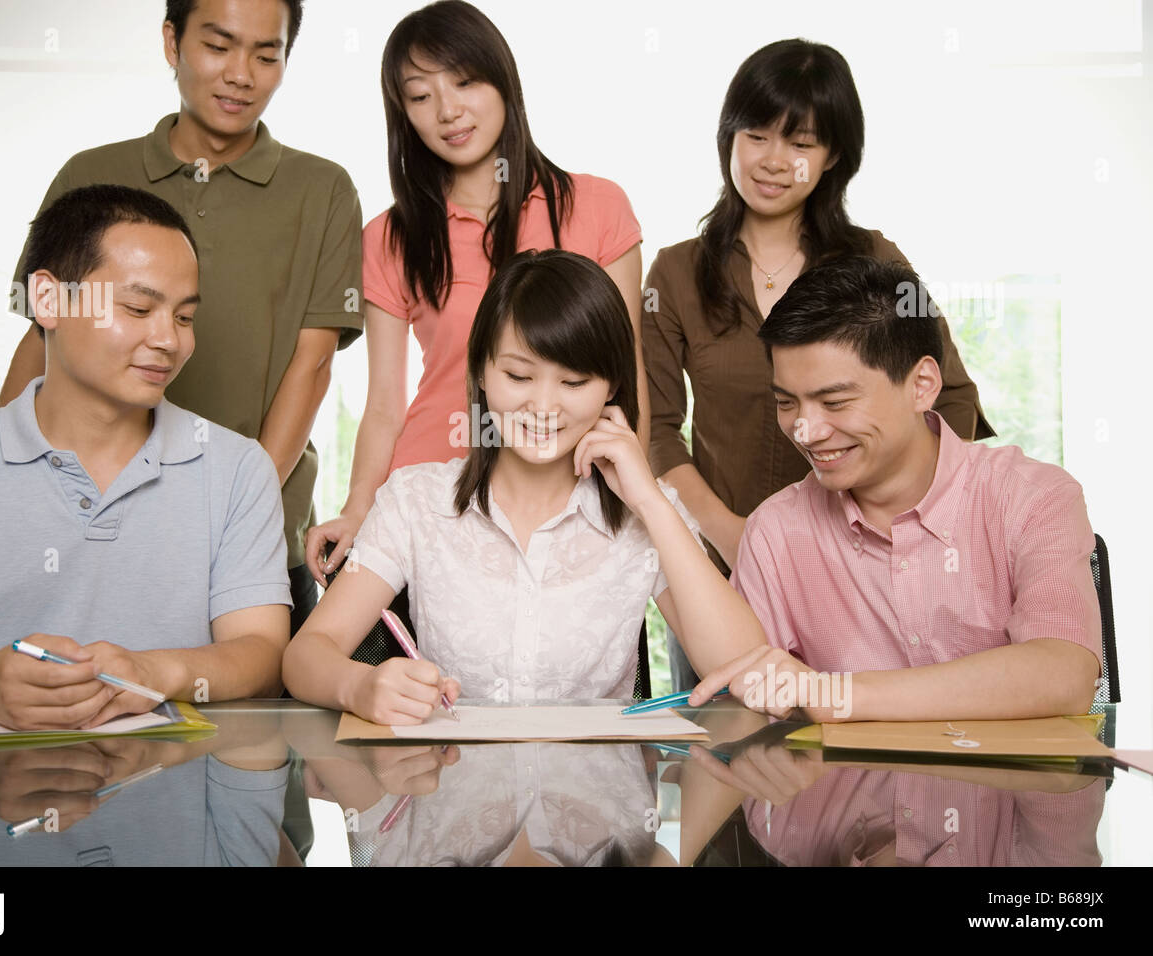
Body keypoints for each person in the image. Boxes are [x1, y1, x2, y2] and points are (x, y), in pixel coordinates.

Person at [0, 185, 292, 730]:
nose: (169, 341)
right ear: (48, 300)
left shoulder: (236, 469)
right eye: (138, 307)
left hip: (181, 797)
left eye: (183, 318)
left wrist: (154, 671)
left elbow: (264, 657)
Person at [0, 0, 361, 634]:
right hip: (84, 524)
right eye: (218, 46)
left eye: (266, 55)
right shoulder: (90, 174)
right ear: (173, 42)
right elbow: (40, 340)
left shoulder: (323, 190)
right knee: (63, 704)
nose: (241, 74)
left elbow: (314, 362)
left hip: (254, 530)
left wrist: (236, 506)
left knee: (255, 720)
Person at [641, 39, 992, 691]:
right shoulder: (676, 271)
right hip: (722, 571)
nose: (773, 161)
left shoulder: (876, 258)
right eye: (756, 135)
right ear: (729, 138)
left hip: (863, 571)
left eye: (800, 143)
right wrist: (729, 532)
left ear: (833, 156)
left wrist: (898, 521)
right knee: (737, 756)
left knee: (872, 758)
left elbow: (951, 398)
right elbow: (656, 429)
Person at [283, 250, 765, 724]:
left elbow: (747, 669)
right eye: (518, 375)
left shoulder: (648, 512)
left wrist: (650, 502)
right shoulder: (415, 501)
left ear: (612, 387)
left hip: (597, 796)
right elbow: (305, 657)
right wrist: (359, 686)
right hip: (451, 788)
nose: (543, 406)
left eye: (574, 382)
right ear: (481, 371)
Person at [306, 0, 646, 585]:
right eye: (419, 95)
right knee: (415, 676)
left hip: (570, 499)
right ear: (402, 113)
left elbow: (628, 372)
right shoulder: (390, 237)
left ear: (503, 81)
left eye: (464, 82)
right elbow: (385, 402)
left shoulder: (596, 207)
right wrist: (361, 507)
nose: (448, 110)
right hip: (434, 501)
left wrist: (632, 495)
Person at [685, 256, 1101, 722]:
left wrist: (835, 695)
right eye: (786, 403)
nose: (805, 430)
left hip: (1007, 794)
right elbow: (744, 697)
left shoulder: (1032, 497)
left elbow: (1066, 676)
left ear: (922, 384)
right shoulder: (776, 530)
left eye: (834, 401)